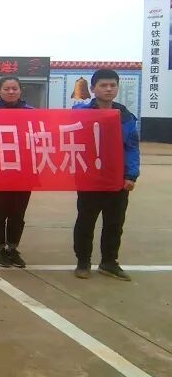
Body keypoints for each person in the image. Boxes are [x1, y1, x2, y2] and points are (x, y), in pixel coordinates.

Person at [72, 69, 140, 281]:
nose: (108, 89)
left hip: (116, 180)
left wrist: (131, 175)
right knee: (85, 221)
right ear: (93, 89)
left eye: (112, 85)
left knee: (114, 224)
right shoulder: (81, 113)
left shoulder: (125, 116)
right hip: (90, 178)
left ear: (117, 88)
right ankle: (83, 262)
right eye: (103, 85)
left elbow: (131, 147)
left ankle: (109, 262)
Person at [0, 76, 33, 268]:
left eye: (15, 88)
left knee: (18, 213)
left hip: (24, 171)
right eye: (6, 89)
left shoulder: (31, 113)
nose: (11, 92)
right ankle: (0, 249)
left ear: (20, 90)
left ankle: (13, 248)